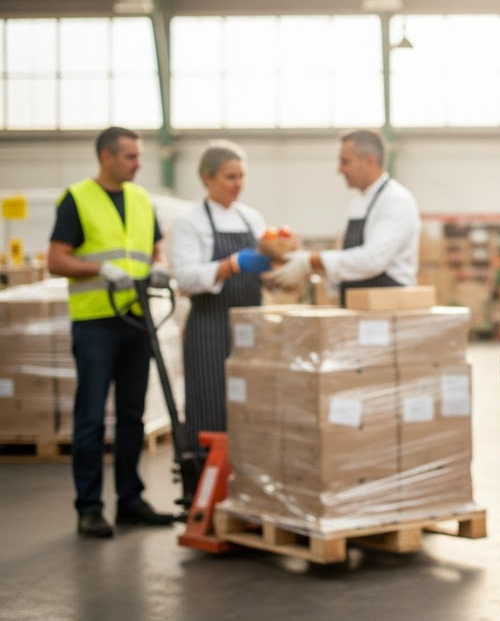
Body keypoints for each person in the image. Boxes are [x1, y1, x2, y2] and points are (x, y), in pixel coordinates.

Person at [47, 126, 175, 538]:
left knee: (132, 416)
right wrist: (99, 268)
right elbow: (56, 260)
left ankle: (130, 500)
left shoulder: (141, 199)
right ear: (106, 156)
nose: (138, 164)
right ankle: (89, 507)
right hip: (96, 323)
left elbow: (154, 248)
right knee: (90, 419)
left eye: (139, 156)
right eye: (130, 157)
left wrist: (158, 266)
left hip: (136, 320)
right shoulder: (77, 199)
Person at [170, 140, 270, 456]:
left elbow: (264, 273)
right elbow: (185, 278)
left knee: (249, 406)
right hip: (209, 329)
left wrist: (279, 269)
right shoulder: (190, 222)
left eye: (241, 176)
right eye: (230, 177)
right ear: (207, 177)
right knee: (211, 406)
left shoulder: (251, 219)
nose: (237, 184)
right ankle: (203, 482)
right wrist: (231, 265)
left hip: (250, 330)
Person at [263, 129, 421, 305]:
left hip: (388, 305)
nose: (339, 169)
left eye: (345, 162)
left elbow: (373, 260)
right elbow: (348, 258)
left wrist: (312, 261)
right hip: (357, 305)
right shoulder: (357, 204)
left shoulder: (395, 200)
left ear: (370, 160)